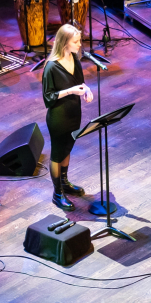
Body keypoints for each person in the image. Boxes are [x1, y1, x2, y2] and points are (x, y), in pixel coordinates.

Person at [41, 24, 95, 211]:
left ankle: (64, 183)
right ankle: (57, 194)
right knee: (58, 153)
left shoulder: (75, 59)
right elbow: (48, 98)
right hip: (58, 116)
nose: (80, 45)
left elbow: (80, 83)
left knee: (67, 148)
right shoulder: (51, 67)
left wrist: (87, 90)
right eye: (76, 41)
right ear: (65, 43)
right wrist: (70, 91)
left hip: (74, 113)